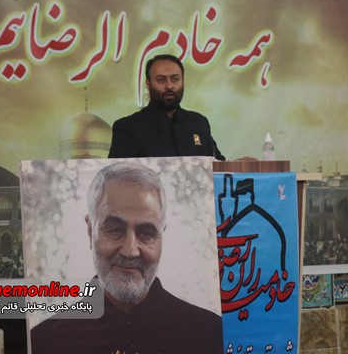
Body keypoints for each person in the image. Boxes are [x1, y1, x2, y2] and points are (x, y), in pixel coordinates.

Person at [30, 162, 224, 354]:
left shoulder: (209, 335)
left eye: (146, 233)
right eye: (115, 230)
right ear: (90, 231)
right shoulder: (45, 343)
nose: (130, 251)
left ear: (162, 236)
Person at [108, 54, 225, 160]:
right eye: (161, 80)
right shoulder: (128, 127)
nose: (169, 85)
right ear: (148, 84)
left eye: (175, 79)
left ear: (183, 81)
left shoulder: (199, 123)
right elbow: (117, 173)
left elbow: (219, 165)